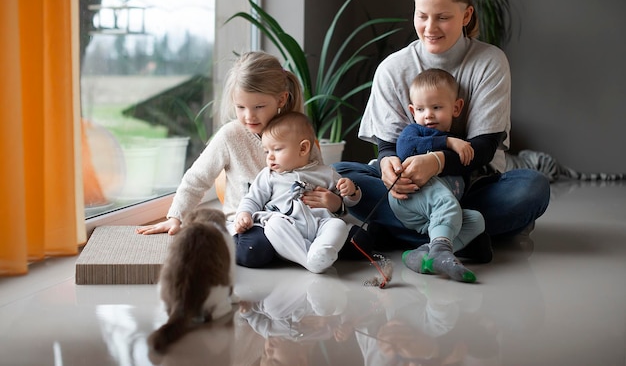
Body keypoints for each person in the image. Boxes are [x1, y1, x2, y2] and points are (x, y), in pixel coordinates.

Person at [334, 0, 550, 251]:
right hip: (411, 194)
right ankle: (463, 234)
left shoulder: (489, 62)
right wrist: (388, 167)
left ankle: (396, 232)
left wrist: (436, 162)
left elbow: (483, 149)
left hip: (471, 188)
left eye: (443, 17)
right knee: (341, 175)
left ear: (467, 16)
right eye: (422, 16)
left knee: (532, 188)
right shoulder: (392, 69)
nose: (430, 28)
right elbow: (388, 147)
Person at [137, 51, 344, 268]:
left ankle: (304, 252)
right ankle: (305, 256)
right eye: (241, 107)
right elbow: (197, 178)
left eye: (259, 107)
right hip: (249, 224)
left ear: (281, 99)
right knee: (254, 252)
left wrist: (333, 204)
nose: (249, 116)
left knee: (349, 235)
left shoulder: (298, 132)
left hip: (297, 224)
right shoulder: (230, 136)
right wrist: (176, 217)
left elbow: (317, 177)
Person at [391, 68, 490, 283]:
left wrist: (455, 144)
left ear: (456, 108)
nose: (428, 114)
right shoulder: (415, 132)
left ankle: (426, 255)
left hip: (435, 211)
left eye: (436, 107)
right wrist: (446, 142)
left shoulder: (461, 141)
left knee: (476, 221)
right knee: (446, 203)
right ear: (412, 111)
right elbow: (405, 148)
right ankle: (442, 250)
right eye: (420, 108)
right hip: (410, 197)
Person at [235, 112, 361, 273]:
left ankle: (320, 250)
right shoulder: (268, 176)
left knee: (338, 225)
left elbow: (348, 203)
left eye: (277, 149)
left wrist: (351, 192)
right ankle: (309, 261)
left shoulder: (326, 173)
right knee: (274, 224)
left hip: (318, 226)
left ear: (303, 148)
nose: (270, 157)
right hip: (287, 228)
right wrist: (244, 214)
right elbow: (252, 199)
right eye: (267, 151)